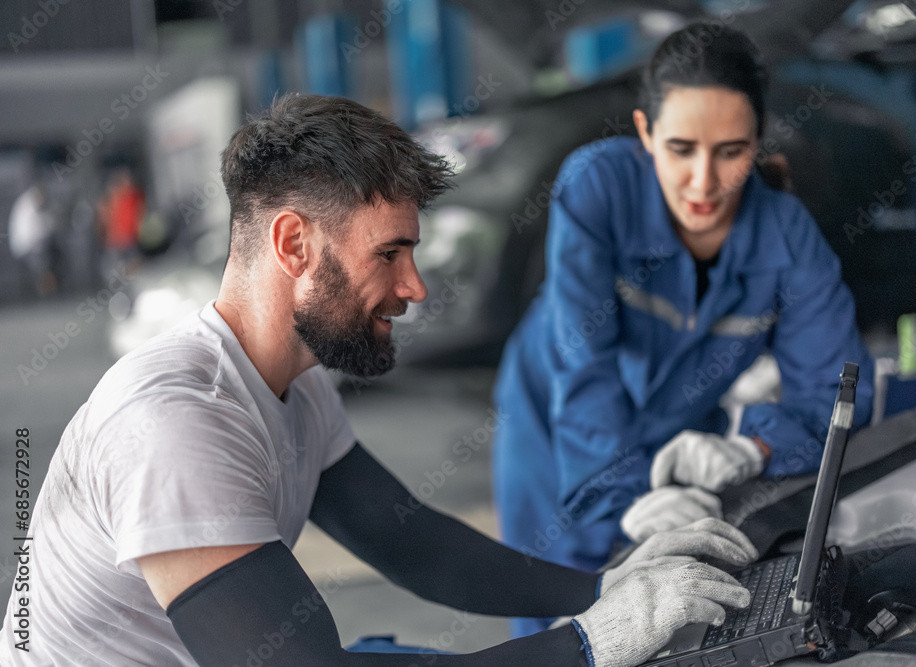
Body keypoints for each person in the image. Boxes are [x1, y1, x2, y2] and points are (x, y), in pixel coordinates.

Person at [0, 94, 760, 667]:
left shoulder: (291, 381)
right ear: (294, 243)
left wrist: (607, 584)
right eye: (390, 254)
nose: (416, 285)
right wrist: (593, 643)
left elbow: (411, 542)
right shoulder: (174, 424)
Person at [491, 22, 874, 637]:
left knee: (660, 617)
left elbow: (835, 399)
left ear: (757, 142)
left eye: (731, 151)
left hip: (674, 431)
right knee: (553, 605)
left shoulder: (787, 234)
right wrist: (625, 495)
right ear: (645, 133)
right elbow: (581, 364)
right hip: (553, 415)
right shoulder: (597, 188)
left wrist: (755, 447)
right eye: (681, 149)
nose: (703, 181)